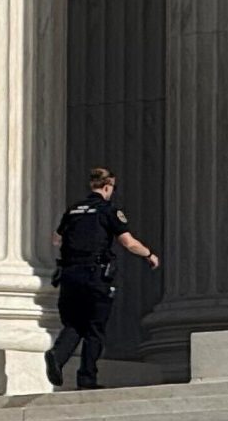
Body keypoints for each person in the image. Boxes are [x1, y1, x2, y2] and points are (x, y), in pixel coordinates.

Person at [44, 166, 160, 390]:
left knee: (74, 323)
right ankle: (87, 378)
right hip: (94, 276)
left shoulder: (73, 210)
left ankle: (57, 356)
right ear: (108, 187)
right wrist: (149, 254)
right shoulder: (108, 210)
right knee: (94, 328)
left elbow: (56, 240)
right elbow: (129, 243)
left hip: (69, 275)